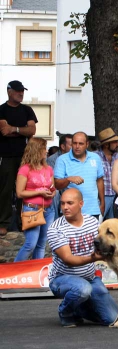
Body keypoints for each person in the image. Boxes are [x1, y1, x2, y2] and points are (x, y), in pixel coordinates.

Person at [47, 188, 118, 327]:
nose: (65, 207)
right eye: (62, 204)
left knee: (112, 318)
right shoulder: (56, 229)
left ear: (81, 204)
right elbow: (68, 259)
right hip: (61, 279)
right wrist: (93, 258)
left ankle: (78, 307)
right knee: (83, 289)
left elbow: (103, 244)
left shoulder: (92, 222)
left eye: (69, 203)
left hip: (89, 278)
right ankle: (65, 312)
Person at [0, 80, 38, 236]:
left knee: (26, 189)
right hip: (6, 156)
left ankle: (25, 221)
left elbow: (32, 130)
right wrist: (23, 130)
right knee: (5, 190)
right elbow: (4, 130)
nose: (21, 93)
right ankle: (4, 223)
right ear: (9, 92)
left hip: (25, 156)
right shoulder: (1, 110)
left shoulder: (27, 110)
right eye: (17, 91)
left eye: (22, 90)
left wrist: (14, 129)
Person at [14, 138, 56, 261]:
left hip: (49, 209)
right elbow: (19, 193)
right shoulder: (25, 169)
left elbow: (52, 188)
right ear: (37, 150)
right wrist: (39, 192)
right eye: (44, 148)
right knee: (30, 244)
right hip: (32, 209)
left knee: (41, 244)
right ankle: (14, 270)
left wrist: (51, 194)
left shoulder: (48, 169)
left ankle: (36, 271)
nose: (47, 151)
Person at [54, 132, 105, 219]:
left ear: (87, 144)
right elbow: (57, 185)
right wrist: (68, 179)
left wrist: (103, 202)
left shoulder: (95, 158)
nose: (77, 146)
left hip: (92, 210)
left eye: (81, 143)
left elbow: (99, 180)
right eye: (74, 143)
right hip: (70, 211)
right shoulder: (62, 160)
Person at [96, 128, 118, 220]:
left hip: (116, 196)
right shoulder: (95, 157)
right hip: (100, 197)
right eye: (115, 142)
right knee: (97, 224)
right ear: (106, 145)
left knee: (113, 227)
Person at [47, 133, 73, 220]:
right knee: (55, 193)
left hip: (71, 187)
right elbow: (53, 181)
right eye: (71, 144)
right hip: (59, 188)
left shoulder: (76, 158)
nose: (75, 147)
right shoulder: (52, 159)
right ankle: (56, 220)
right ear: (62, 146)